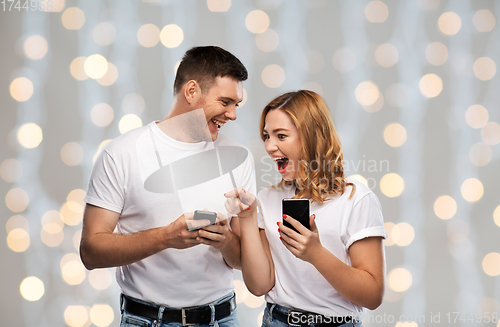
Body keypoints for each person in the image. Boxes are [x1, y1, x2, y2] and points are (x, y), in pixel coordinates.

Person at [80, 46, 256, 327]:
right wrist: (165, 237)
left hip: (222, 319)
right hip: (147, 320)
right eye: (225, 102)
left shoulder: (239, 158)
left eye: (237, 104)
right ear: (191, 91)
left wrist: (224, 241)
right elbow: (90, 252)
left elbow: (242, 260)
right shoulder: (122, 153)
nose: (232, 115)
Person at [224, 90, 386, 327]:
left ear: (311, 136)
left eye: (281, 136)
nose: (269, 146)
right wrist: (248, 218)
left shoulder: (356, 199)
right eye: (266, 136)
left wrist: (315, 253)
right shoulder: (268, 199)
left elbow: (372, 296)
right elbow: (259, 286)